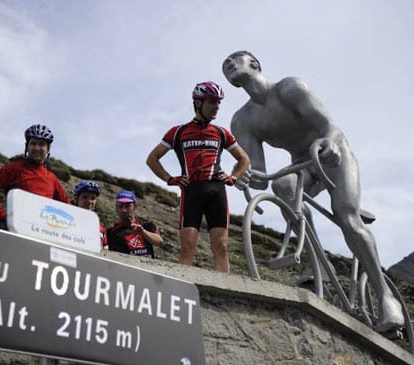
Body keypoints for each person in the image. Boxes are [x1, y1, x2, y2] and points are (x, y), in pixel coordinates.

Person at [221, 50, 404, 332]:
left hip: (332, 154)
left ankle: (386, 298)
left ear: (255, 63)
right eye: (225, 65)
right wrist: (244, 178)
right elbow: (260, 176)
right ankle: (318, 265)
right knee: (282, 185)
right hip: (303, 165)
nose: (230, 64)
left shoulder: (289, 88)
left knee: (347, 218)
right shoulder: (243, 121)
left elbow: (330, 127)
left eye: (236, 59)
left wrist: (329, 143)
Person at [146, 81, 250, 272]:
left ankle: (224, 291)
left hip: (216, 191)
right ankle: (182, 288)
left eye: (219, 102)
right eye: (212, 102)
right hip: (191, 192)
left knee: (221, 247)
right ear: (198, 103)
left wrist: (233, 178)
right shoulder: (178, 132)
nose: (216, 106)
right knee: (187, 247)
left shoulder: (221, 132)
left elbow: (243, 159)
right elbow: (152, 159)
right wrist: (170, 179)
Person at [0, 124, 70, 222]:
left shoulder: (52, 178)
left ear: (48, 148)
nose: (37, 148)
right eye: (33, 143)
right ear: (27, 146)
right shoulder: (15, 168)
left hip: (42, 231)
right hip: (18, 229)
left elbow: (68, 208)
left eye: (41, 144)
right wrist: (3, 216)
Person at [106, 190, 163, 258]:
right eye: (120, 206)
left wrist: (143, 232)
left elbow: (159, 242)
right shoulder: (111, 232)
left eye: (128, 206)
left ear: (135, 207)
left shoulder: (147, 226)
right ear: (116, 209)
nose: (124, 210)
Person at [72, 180, 108, 249]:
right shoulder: (66, 220)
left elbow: (105, 252)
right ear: (76, 199)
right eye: (85, 197)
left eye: (93, 198)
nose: (89, 201)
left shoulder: (101, 228)